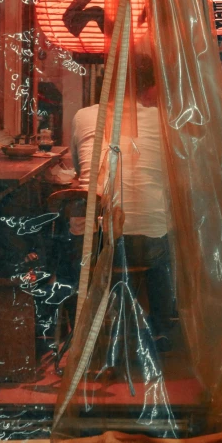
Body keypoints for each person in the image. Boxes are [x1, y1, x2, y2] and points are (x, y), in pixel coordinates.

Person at [71, 54, 175, 351]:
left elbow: (79, 171)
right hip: (148, 244)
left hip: (96, 242)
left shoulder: (84, 116)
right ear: (150, 87)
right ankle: (161, 328)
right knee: (162, 239)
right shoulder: (163, 120)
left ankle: (90, 325)